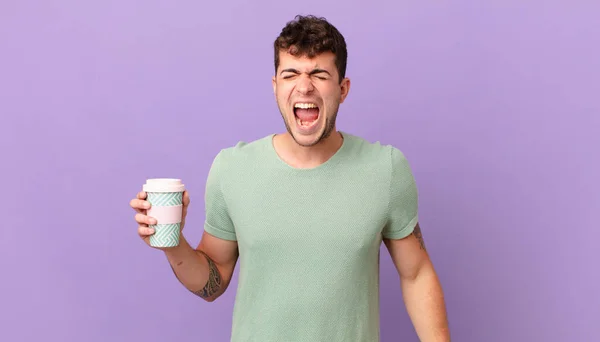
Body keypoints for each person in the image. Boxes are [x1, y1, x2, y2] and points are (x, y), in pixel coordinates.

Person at [130, 14, 450, 342]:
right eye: (291, 73)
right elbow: (213, 283)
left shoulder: (386, 169)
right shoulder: (232, 169)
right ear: (276, 87)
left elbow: (416, 274)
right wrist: (171, 242)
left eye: (319, 74)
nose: (304, 85)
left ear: (343, 89)